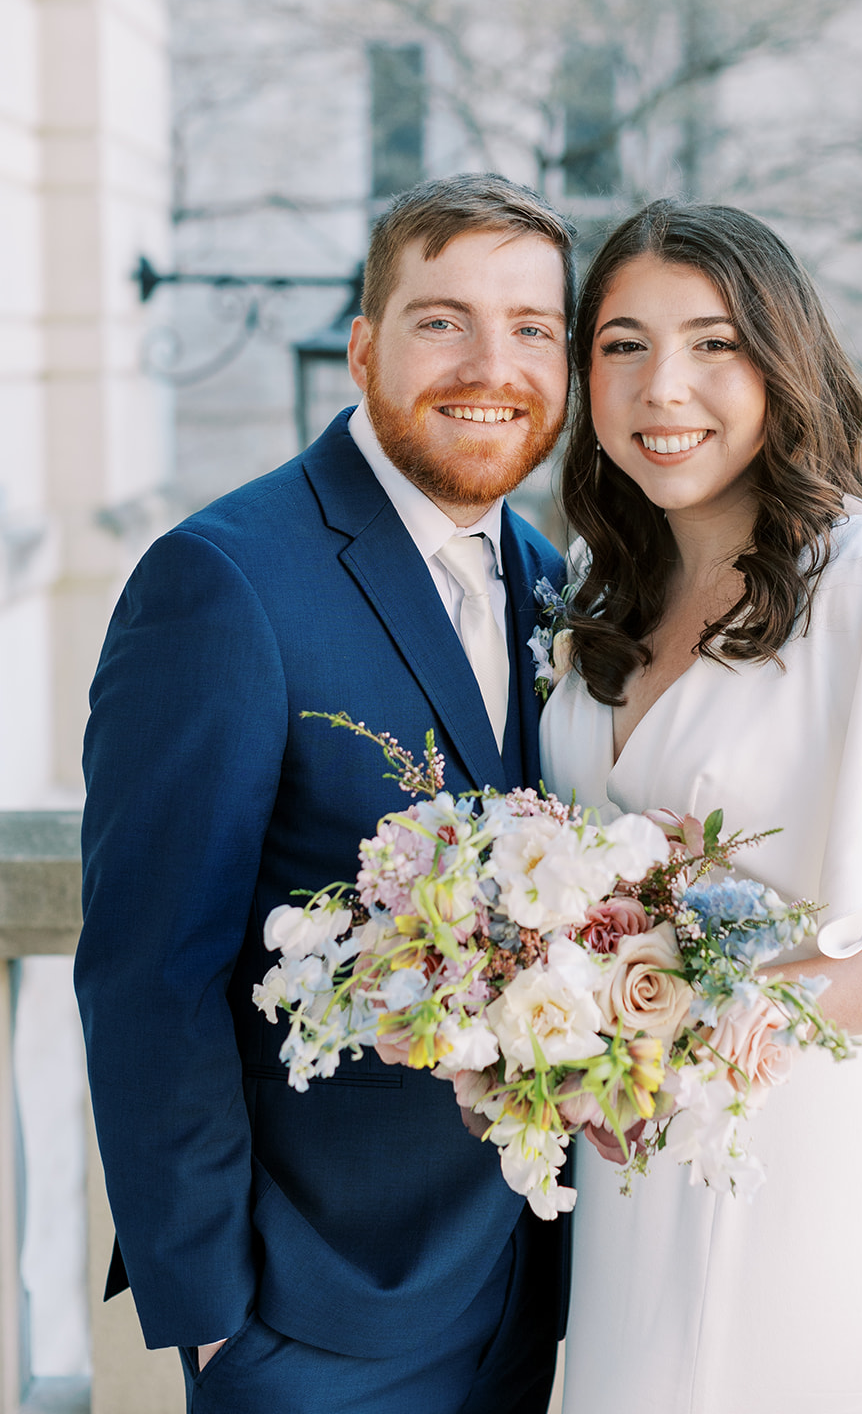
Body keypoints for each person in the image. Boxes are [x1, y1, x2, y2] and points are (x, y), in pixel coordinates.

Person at [539, 200, 862, 1414]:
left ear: (782, 362)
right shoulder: (595, 585)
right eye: (622, 344)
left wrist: (760, 1007)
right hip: (631, 1164)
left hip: (821, 1162)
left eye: (711, 343)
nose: (662, 386)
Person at [75, 173, 576, 1414]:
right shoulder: (220, 581)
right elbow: (149, 969)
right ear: (362, 349)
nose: (491, 365)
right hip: (309, 1311)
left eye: (531, 327)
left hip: (523, 1290)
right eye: (441, 320)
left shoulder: (550, 580)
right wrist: (213, 1316)